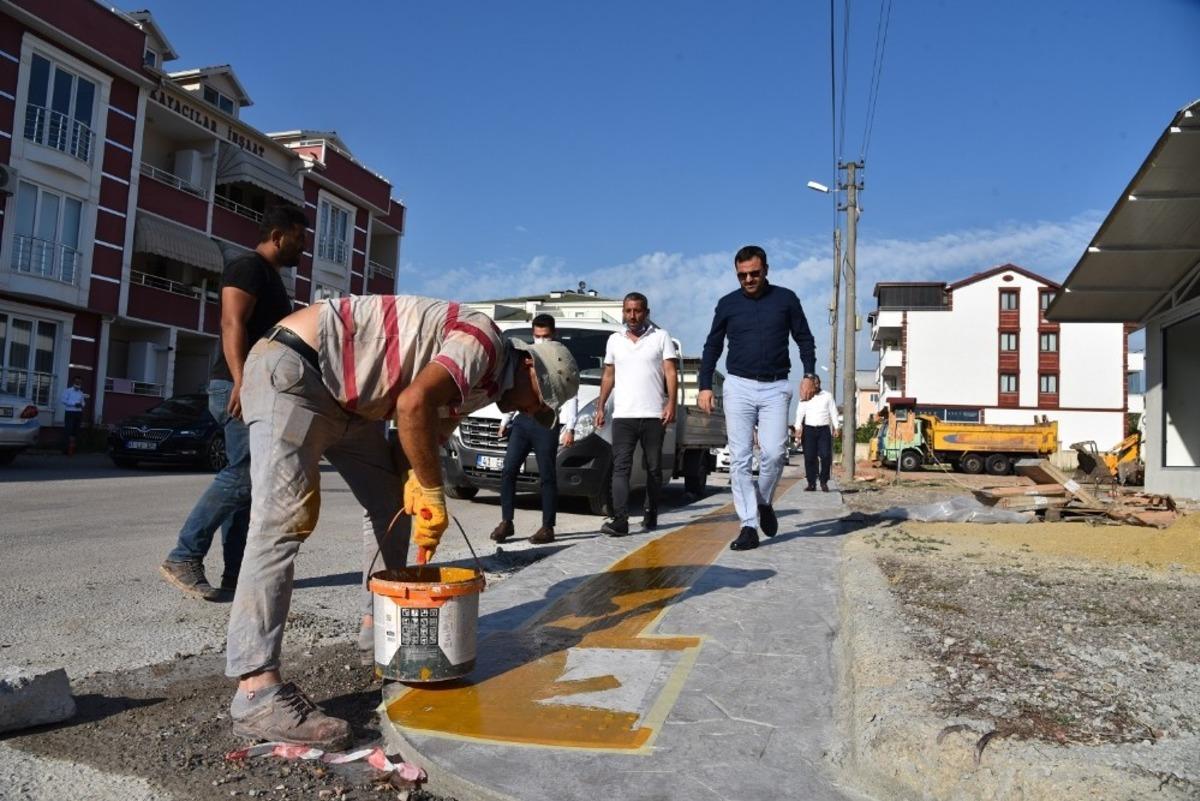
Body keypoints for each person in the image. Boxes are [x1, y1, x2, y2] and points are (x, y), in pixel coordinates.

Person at [226, 294, 578, 749]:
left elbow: (428, 430)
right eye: (538, 401)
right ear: (531, 368)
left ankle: (382, 629)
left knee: (391, 500)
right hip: (297, 370)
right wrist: (433, 491)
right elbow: (412, 404)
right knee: (282, 521)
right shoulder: (484, 341)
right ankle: (256, 692)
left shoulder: (484, 386)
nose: (529, 412)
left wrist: (415, 480)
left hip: (351, 406)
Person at [160, 205, 307, 601]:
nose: (303, 248)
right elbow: (231, 323)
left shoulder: (271, 278)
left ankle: (236, 574)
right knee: (244, 474)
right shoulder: (247, 267)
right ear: (277, 235)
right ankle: (184, 556)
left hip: (253, 385)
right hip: (237, 385)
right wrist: (243, 382)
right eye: (299, 238)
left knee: (248, 483)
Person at [698, 245, 816, 551]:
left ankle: (763, 500)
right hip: (738, 386)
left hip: (776, 387)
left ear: (766, 270)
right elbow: (712, 345)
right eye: (742, 275)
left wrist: (809, 373)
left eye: (754, 273)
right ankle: (748, 525)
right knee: (739, 459)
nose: (749, 279)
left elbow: (804, 337)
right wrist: (705, 385)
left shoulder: (786, 299)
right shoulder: (727, 304)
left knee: (775, 453)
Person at [490, 314, 579, 545]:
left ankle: (547, 527)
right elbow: (516, 388)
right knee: (508, 470)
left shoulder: (559, 356)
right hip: (522, 420)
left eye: (546, 336)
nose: (542, 340)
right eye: (538, 336)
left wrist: (570, 426)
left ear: (554, 334)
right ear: (533, 335)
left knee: (547, 476)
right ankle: (506, 522)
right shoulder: (526, 354)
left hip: (545, 420)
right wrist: (505, 420)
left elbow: (569, 393)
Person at [595, 292, 678, 537]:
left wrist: (671, 403)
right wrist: (601, 406)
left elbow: (670, 373)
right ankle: (620, 519)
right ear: (623, 312)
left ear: (646, 312)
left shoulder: (661, 337)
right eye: (628, 311)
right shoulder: (614, 340)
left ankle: (651, 511)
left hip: (654, 415)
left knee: (653, 468)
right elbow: (608, 375)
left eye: (637, 311)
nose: (632, 316)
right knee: (621, 467)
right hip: (623, 416)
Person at [794, 374, 838, 491]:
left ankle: (824, 481)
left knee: (825, 456)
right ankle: (811, 483)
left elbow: (833, 412)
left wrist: (836, 427)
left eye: (818, 383)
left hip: (824, 429)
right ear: (811, 384)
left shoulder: (827, 396)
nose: (817, 385)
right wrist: (798, 427)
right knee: (809, 457)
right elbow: (800, 413)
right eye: (814, 384)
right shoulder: (805, 397)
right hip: (809, 430)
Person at [59, 376, 86, 455]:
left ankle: (74, 449)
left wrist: (82, 405)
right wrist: (74, 404)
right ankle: (65, 449)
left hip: (78, 413)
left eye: (80, 382)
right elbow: (63, 400)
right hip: (70, 412)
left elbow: (83, 402)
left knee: (76, 431)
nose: (78, 383)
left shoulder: (81, 393)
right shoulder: (67, 391)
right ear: (73, 382)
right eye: (77, 382)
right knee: (68, 430)